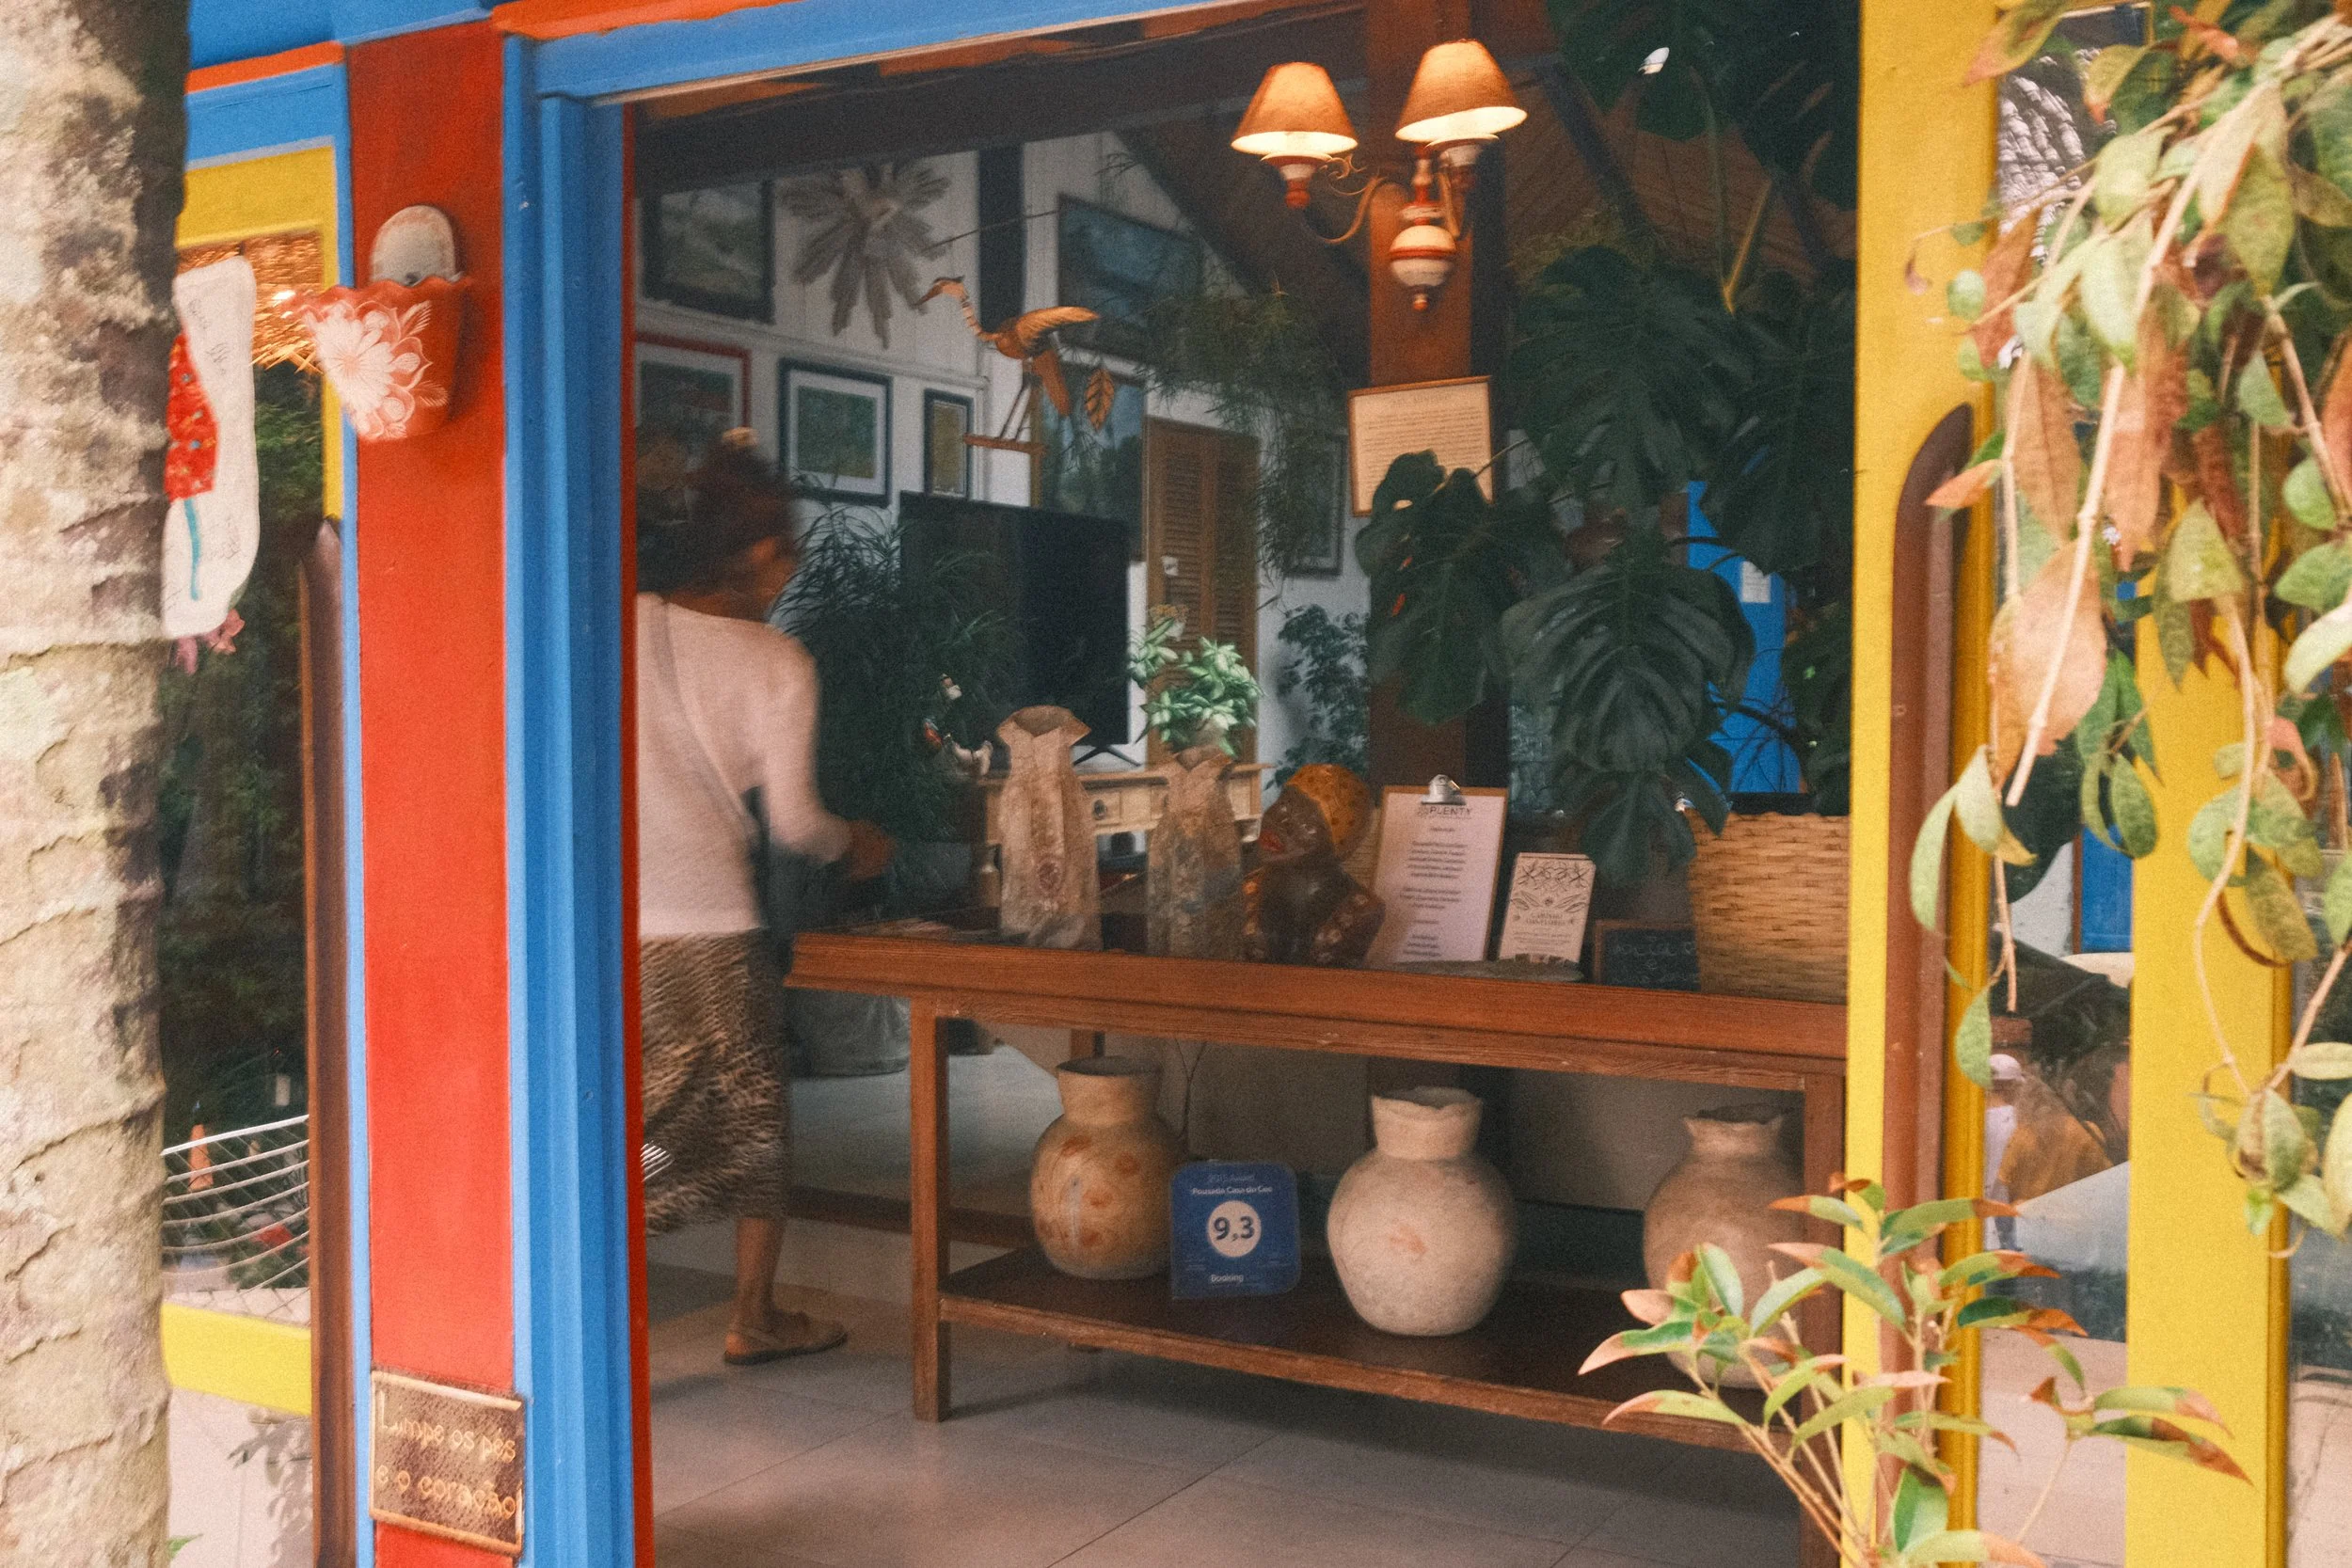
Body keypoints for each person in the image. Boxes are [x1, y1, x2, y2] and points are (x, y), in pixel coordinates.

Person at [636, 431, 892, 1365]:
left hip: (617, 927)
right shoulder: (777, 661)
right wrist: (856, 842)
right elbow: (796, 824)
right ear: (758, 553)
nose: (790, 576)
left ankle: (606, 1302)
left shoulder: (626, 624)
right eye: (788, 557)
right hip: (714, 926)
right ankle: (753, 1313)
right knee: (753, 1120)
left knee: (634, 1122)